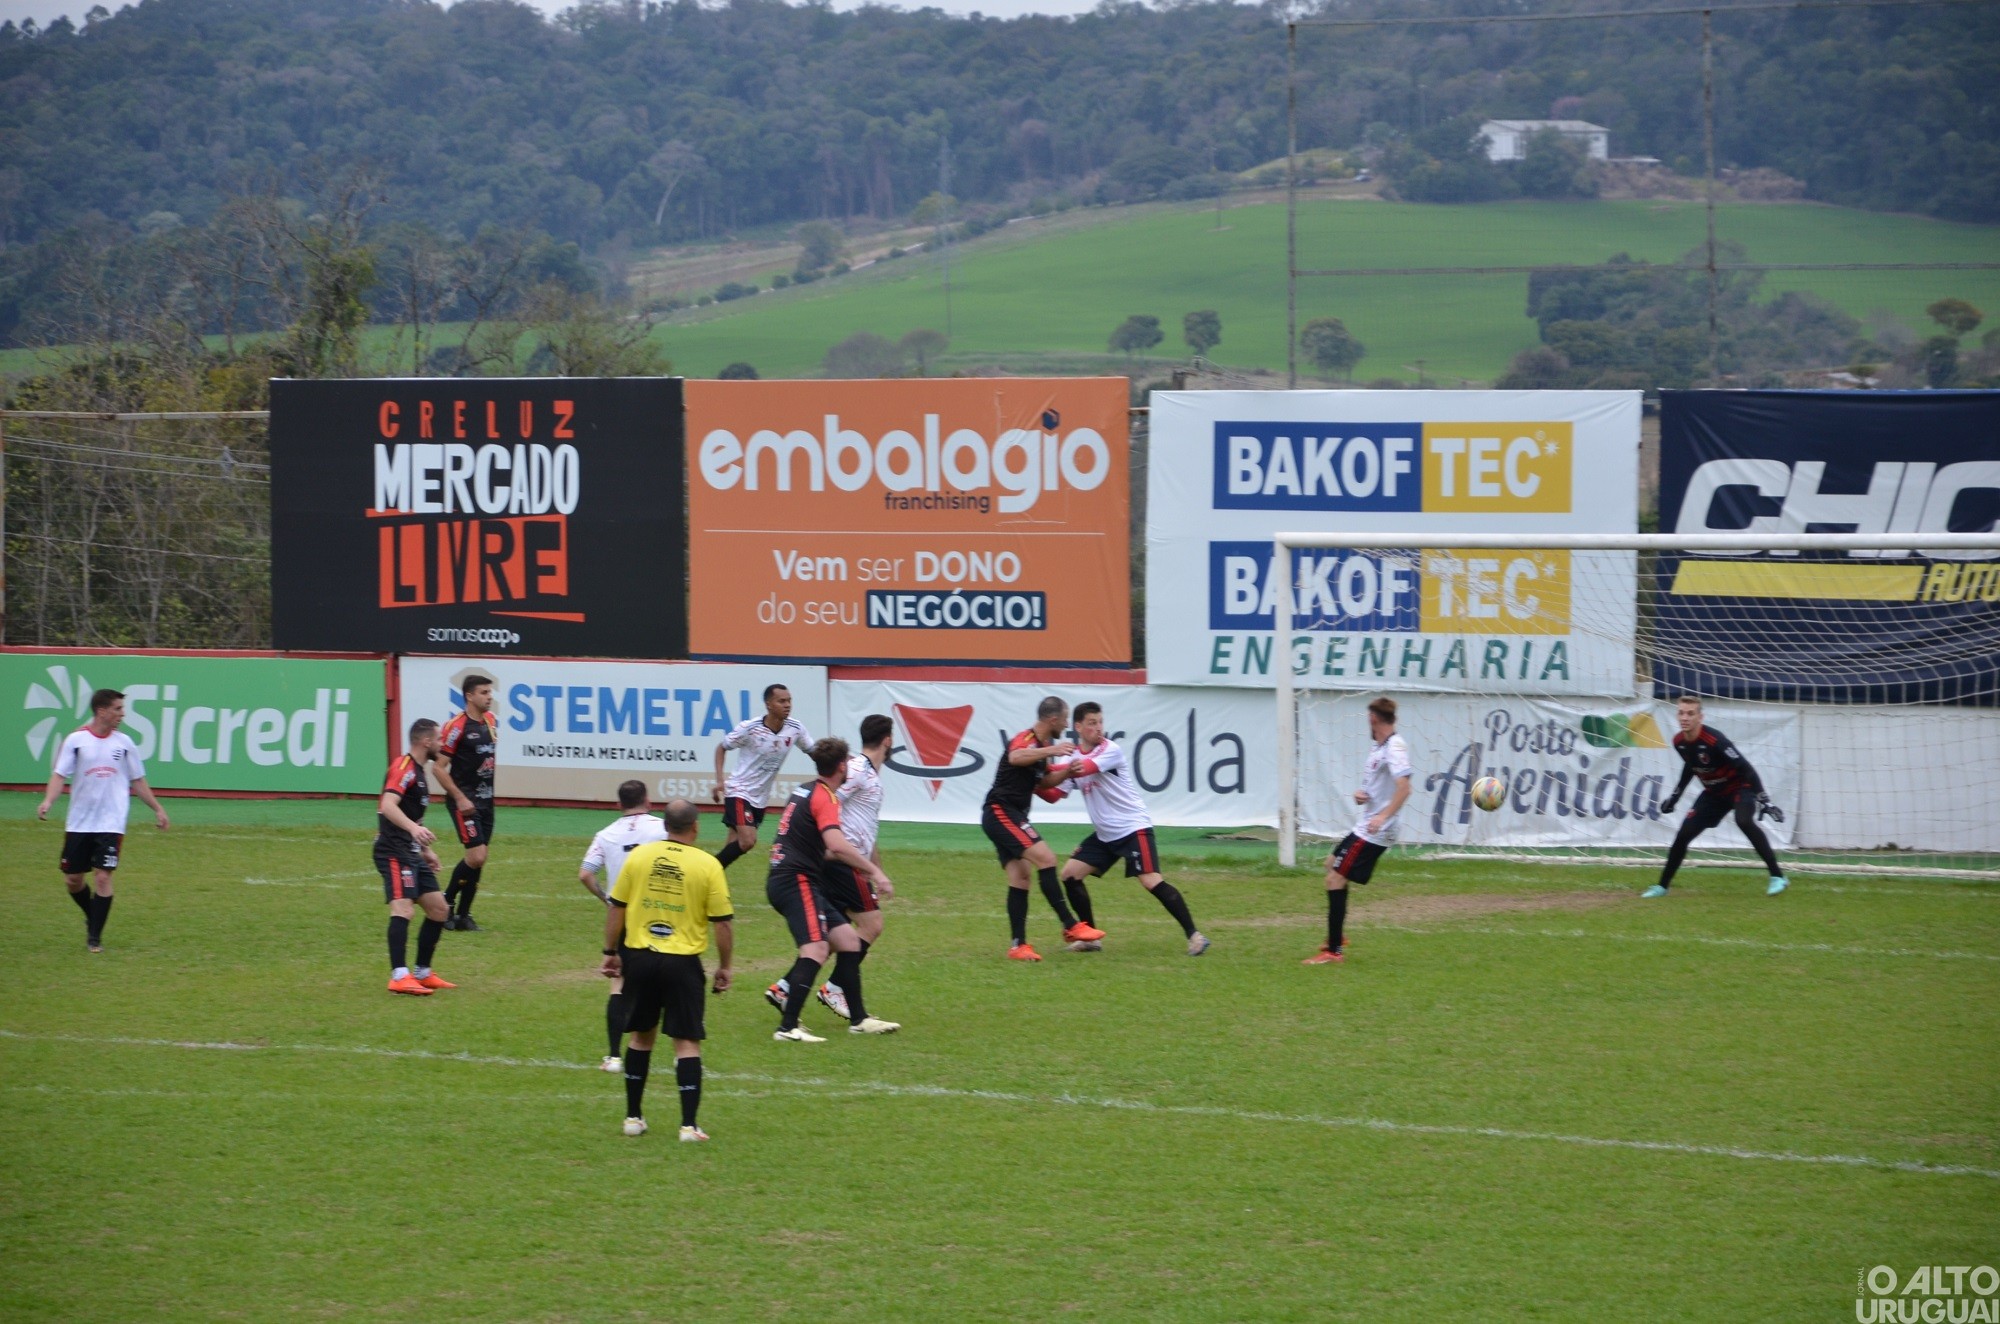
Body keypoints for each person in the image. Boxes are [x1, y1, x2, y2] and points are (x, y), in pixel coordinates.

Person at [601, 799, 733, 1142]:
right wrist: (725, 967)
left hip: (640, 957)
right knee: (686, 1042)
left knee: (641, 1037)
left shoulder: (640, 857)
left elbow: (616, 908)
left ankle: (633, 1118)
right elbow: (723, 924)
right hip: (682, 962)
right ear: (696, 827)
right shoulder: (707, 865)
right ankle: (688, 1126)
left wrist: (610, 952)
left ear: (665, 826)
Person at [1044, 702, 1209, 957]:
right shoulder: (1069, 757)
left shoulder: (1110, 750)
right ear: (1077, 726)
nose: (1098, 728)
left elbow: (1082, 768)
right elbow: (1055, 794)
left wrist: (1034, 763)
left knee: (1151, 881)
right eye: (1091, 723)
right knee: (1070, 874)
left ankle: (1194, 936)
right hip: (1105, 834)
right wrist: (1031, 783)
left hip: (1133, 828)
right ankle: (1091, 938)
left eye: (1100, 722)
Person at [764, 737, 899, 1040]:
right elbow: (836, 845)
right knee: (816, 948)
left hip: (793, 877)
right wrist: (875, 871)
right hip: (793, 880)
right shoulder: (825, 796)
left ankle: (859, 1020)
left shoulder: (805, 789)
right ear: (842, 767)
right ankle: (787, 1027)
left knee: (849, 940)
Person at [36, 688, 170, 954]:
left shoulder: (125, 743)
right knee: (73, 880)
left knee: (102, 878)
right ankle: (93, 914)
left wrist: (157, 808)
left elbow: (138, 781)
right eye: (118, 708)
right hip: (79, 822)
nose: (123, 713)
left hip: (111, 822)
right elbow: (59, 775)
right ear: (102, 711)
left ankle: (94, 937)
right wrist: (48, 801)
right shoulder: (76, 740)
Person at [982, 695, 1104, 962]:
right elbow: (1015, 756)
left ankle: (1018, 945)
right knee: (1046, 859)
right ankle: (1070, 925)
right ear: (1053, 719)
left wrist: (1067, 773)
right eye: (1064, 718)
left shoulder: (1043, 745)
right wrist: (1052, 751)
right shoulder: (1028, 739)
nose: (1066, 724)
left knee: (1021, 878)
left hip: (1008, 814)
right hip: (1000, 811)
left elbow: (1045, 782)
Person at [1643, 695, 1789, 898]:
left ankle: (1777, 876)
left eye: (1690, 713)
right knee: (1683, 835)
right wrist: (1675, 797)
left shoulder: (1715, 740)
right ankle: (1662, 886)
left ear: (1700, 717)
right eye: (1681, 712)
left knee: (1744, 821)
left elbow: (1746, 768)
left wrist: (1765, 800)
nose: (1685, 717)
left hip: (1740, 787)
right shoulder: (1679, 742)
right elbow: (1691, 766)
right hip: (1714, 793)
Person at [1305, 696, 1411, 966]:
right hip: (1366, 825)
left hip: (1377, 829)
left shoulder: (1395, 747)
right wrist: (1364, 795)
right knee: (1331, 865)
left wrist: (1383, 816)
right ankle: (1338, 936)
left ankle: (1333, 951)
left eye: (1368, 717)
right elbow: (1384, 787)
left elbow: (1404, 788)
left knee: (1335, 880)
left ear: (1373, 718)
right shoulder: (1380, 748)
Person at [581, 780, 669, 1072]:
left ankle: (614, 1056)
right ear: (648, 800)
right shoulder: (661, 828)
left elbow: (585, 874)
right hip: (661, 912)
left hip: (623, 915)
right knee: (668, 978)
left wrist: (606, 898)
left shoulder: (605, 834)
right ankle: (682, 1048)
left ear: (619, 805)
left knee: (619, 982)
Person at [376, 719, 455, 995]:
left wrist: (424, 850)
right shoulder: (403, 767)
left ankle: (421, 973)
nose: (442, 745)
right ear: (426, 742)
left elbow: (410, 816)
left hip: (409, 851)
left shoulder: (420, 772)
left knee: (439, 909)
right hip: (393, 851)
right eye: (439, 740)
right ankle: (399, 976)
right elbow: (387, 806)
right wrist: (413, 829)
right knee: (403, 909)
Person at [713, 683, 813, 870]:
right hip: (739, 791)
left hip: (760, 798)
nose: (787, 705)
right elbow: (721, 748)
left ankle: (712, 877)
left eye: (789, 700)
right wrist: (719, 781)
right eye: (781, 701)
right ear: (768, 704)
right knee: (748, 841)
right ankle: (707, 868)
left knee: (732, 846)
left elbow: (815, 752)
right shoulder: (750, 728)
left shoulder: (795, 728)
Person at [434, 675, 499, 931]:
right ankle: (446, 903)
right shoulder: (456, 726)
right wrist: (460, 797)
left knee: (478, 859)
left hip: (486, 801)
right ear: (469, 696)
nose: (489, 696)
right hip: (465, 802)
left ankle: (463, 915)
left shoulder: (491, 721)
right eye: (483, 692)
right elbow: (438, 768)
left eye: (490, 692)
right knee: (477, 855)